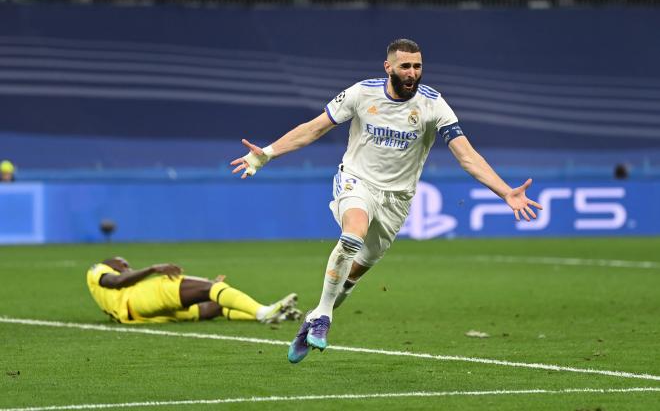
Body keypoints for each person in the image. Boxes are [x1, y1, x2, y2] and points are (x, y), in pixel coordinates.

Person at [230, 38, 543, 363]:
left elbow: (466, 155)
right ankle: (323, 316)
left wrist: (505, 191)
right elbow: (314, 129)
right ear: (389, 67)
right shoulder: (361, 93)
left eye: (417, 66)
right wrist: (266, 154)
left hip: (397, 200)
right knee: (353, 233)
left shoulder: (434, 104)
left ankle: (313, 317)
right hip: (356, 182)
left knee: (351, 277)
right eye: (405, 66)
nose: (412, 73)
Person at [86, 256, 301, 324]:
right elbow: (117, 282)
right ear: (112, 263)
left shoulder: (111, 295)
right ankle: (263, 312)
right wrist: (153, 269)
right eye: (124, 265)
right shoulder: (98, 270)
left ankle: (276, 315)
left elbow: (120, 280)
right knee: (212, 288)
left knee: (215, 306)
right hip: (138, 299)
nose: (128, 268)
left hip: (139, 314)